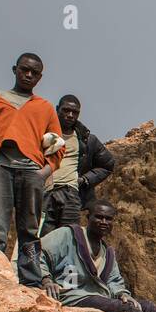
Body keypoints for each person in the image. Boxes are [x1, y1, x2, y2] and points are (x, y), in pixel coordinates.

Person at [0, 53, 63, 287]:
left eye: (34, 73)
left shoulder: (45, 108)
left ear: (40, 77)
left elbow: (58, 145)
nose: (29, 75)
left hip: (31, 171)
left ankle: (31, 282)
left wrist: (45, 171)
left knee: (30, 230)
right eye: (24, 70)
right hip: (0, 168)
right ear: (15, 69)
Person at [41, 94, 116, 237]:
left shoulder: (87, 139)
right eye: (66, 110)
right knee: (43, 239)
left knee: (69, 239)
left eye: (75, 112)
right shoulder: (44, 134)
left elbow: (108, 164)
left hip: (71, 193)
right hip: (45, 193)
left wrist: (84, 180)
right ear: (57, 109)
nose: (70, 115)